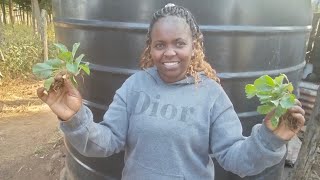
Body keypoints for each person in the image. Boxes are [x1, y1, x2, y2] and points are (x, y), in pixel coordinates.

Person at [37, 4, 305, 180]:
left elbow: (236, 159)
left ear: (194, 46)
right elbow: (106, 142)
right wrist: (75, 119)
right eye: (160, 44)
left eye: (179, 43)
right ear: (149, 49)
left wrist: (269, 141)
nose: (169, 53)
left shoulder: (211, 95)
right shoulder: (134, 87)